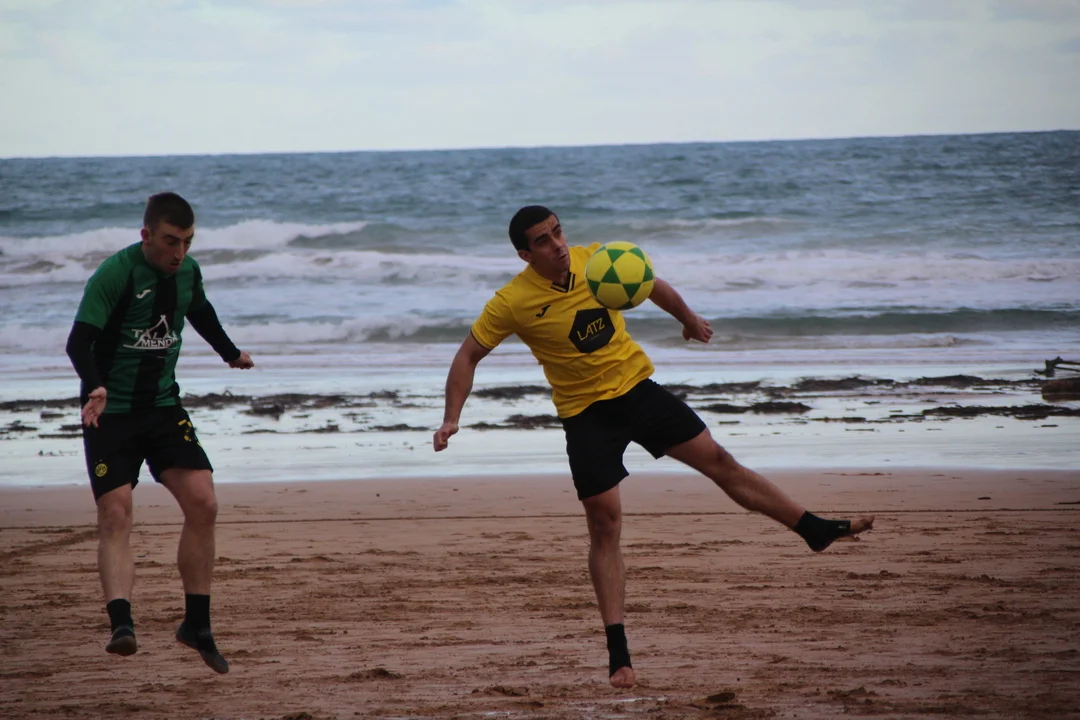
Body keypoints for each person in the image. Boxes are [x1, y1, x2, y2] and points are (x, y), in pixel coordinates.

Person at [433, 205, 874, 689]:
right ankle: (618, 653)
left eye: (558, 232)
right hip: (585, 415)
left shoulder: (598, 261)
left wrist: (688, 318)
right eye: (543, 240)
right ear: (525, 254)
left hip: (638, 392)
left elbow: (649, 284)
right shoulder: (512, 302)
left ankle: (812, 528)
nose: (558, 245)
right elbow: (468, 355)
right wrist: (452, 418)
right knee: (605, 523)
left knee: (721, 462)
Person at [66, 192, 254, 674]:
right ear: (146, 235)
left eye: (187, 242)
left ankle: (196, 625)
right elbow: (79, 342)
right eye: (171, 241)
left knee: (204, 502)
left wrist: (230, 353)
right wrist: (96, 385)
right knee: (116, 513)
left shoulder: (187, 273)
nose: (179, 253)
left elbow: (199, 311)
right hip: (109, 411)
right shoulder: (115, 274)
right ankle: (122, 625)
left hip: (163, 407)